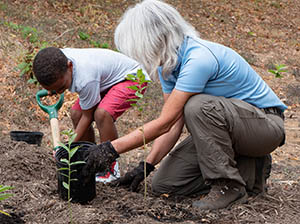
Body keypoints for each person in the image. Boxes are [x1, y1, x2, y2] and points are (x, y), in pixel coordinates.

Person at [82, 0, 286, 210]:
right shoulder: (168, 66)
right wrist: (145, 167)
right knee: (165, 184)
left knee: (198, 106)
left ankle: (228, 186)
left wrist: (110, 149)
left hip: (265, 127)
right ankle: (249, 170)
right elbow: (171, 124)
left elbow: (164, 122)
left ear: (153, 39)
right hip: (233, 131)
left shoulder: (198, 59)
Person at [33, 47, 150, 182]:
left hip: (132, 78)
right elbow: (81, 114)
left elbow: (88, 117)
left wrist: (67, 148)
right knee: (76, 113)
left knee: (102, 114)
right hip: (104, 80)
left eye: (61, 88)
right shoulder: (56, 61)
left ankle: (109, 167)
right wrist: (54, 88)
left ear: (70, 66)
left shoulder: (85, 78)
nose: (58, 92)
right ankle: (90, 160)